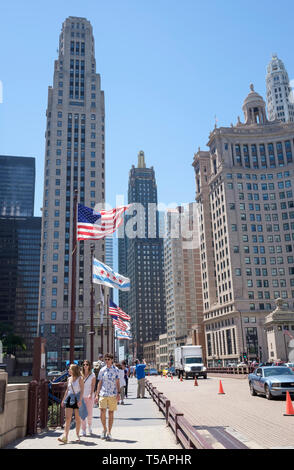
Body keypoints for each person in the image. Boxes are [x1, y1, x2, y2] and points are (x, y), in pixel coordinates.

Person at [95, 353, 120, 441]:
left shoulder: (116, 370)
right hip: (103, 393)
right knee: (102, 411)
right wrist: (97, 395)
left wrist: (118, 393)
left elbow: (117, 382)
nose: (107, 361)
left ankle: (109, 432)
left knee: (111, 413)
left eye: (108, 359)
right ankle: (104, 429)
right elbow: (99, 383)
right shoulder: (102, 370)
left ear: (112, 360)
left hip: (112, 394)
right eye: (105, 359)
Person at [58, 363, 84, 444]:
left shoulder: (80, 378)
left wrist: (80, 400)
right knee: (68, 418)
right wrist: (63, 400)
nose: (68, 370)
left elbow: (82, 390)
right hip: (69, 398)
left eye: (70, 369)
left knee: (77, 418)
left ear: (74, 370)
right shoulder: (69, 379)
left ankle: (77, 435)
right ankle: (65, 436)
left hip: (77, 399)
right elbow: (67, 390)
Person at [81, 360, 96, 436]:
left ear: (89, 366)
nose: (85, 366)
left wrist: (91, 394)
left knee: (89, 414)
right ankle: (83, 429)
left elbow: (93, 385)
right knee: (82, 414)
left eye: (87, 364)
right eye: (84, 364)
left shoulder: (92, 375)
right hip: (82, 396)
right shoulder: (80, 375)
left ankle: (89, 426)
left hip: (89, 396)